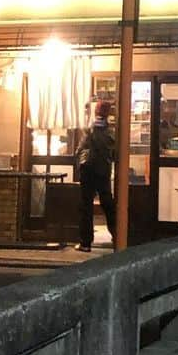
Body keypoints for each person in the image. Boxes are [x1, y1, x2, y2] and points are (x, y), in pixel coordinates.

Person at [75, 101, 116, 252]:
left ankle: (85, 243)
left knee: (86, 206)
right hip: (103, 171)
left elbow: (80, 149)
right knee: (108, 205)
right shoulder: (110, 131)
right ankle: (118, 237)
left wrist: (79, 161)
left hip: (88, 170)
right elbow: (114, 151)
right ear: (108, 113)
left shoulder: (88, 129)